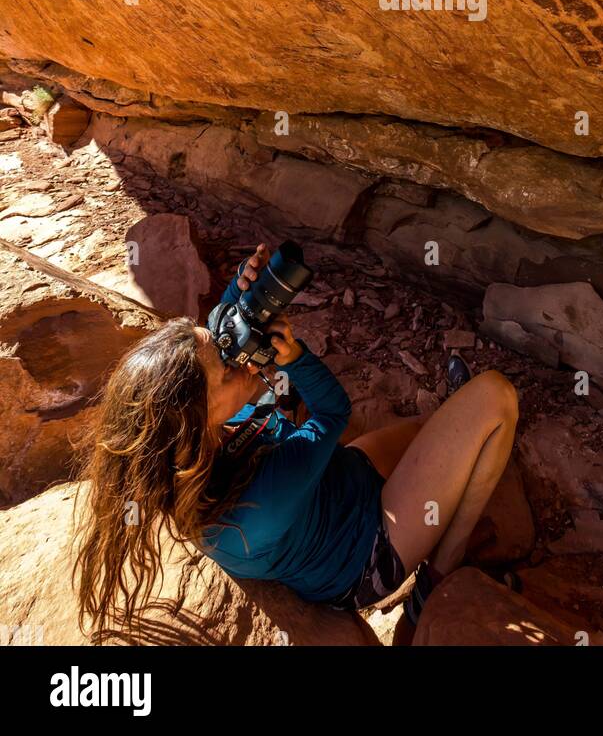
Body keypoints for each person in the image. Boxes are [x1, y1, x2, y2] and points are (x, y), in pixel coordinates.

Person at [74, 243, 518, 642]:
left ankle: (452, 424)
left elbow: (210, 350)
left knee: (439, 425)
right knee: (495, 397)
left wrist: (237, 301)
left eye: (223, 348)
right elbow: (332, 412)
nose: (240, 364)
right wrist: (297, 359)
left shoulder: (187, 446)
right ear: (201, 420)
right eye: (228, 367)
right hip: (370, 550)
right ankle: (437, 578)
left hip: (340, 482)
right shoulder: (258, 507)